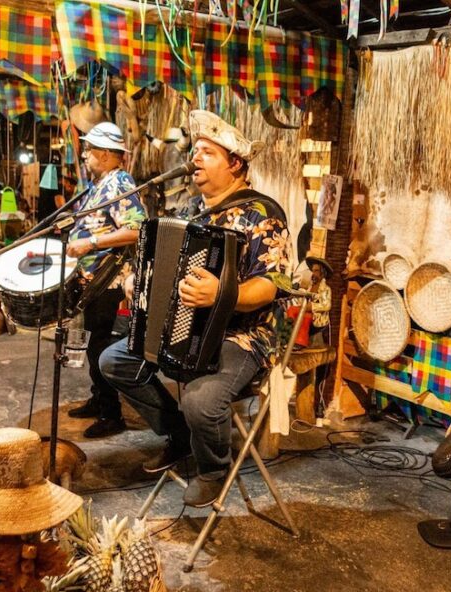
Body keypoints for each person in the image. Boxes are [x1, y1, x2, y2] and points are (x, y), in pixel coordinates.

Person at [99, 110, 292, 507]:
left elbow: (271, 285)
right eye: (195, 151)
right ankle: (179, 434)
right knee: (114, 362)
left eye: (207, 152)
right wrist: (138, 282)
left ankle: (213, 469)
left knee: (201, 401)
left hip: (242, 335)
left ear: (234, 164)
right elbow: (158, 260)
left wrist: (222, 294)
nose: (195, 159)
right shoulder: (189, 211)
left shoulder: (263, 214)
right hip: (183, 325)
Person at [64, 122, 146, 439]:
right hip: (94, 280)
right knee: (94, 343)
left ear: (107, 155)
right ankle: (99, 399)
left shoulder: (120, 182)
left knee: (101, 346)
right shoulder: (101, 183)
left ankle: (111, 414)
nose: (85, 155)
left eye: (90, 150)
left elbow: (136, 230)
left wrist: (90, 243)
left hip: (109, 278)